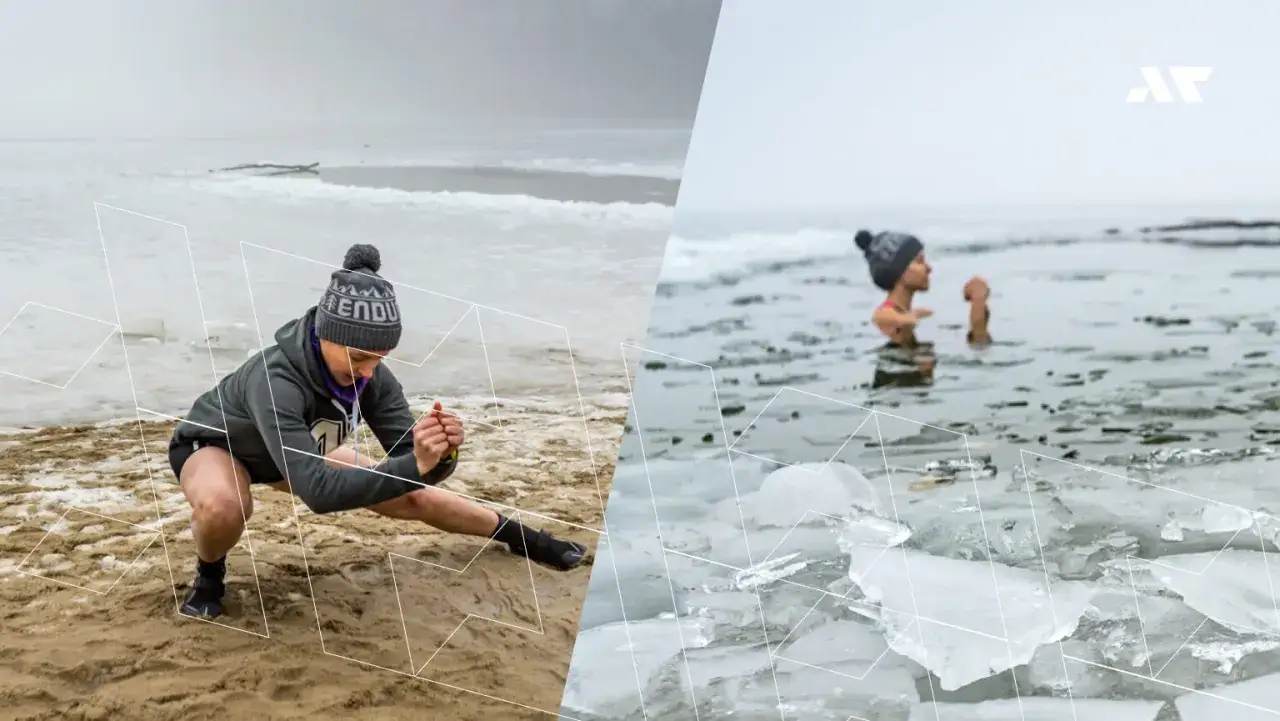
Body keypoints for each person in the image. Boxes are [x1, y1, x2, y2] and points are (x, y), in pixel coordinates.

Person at [167, 243, 587, 619]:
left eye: (379, 358)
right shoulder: (275, 380)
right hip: (217, 447)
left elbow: (417, 469)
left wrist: (440, 453)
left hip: (295, 454)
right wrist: (416, 464)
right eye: (360, 357)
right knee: (227, 506)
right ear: (325, 335)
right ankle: (209, 574)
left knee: (410, 491)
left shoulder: (370, 375)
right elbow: (318, 493)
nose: (368, 372)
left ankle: (522, 537)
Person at [853, 229, 992, 349]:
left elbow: (977, 348)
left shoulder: (917, 313)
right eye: (920, 261)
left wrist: (978, 305)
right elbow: (882, 318)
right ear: (898, 271)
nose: (929, 268)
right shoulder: (887, 314)